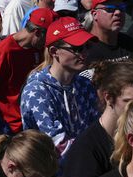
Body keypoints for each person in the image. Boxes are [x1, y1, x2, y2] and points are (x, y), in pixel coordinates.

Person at [20, 17, 99, 159]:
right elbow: (57, 145)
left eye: (87, 46)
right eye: (77, 48)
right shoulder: (36, 91)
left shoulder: (84, 84)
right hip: (51, 174)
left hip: (85, 166)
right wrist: (97, 151)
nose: (85, 53)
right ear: (54, 51)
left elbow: (97, 127)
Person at [0, 8, 54, 132]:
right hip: (13, 128)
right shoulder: (3, 51)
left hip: (35, 121)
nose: (49, 43)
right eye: (48, 37)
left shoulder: (38, 48)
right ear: (37, 32)